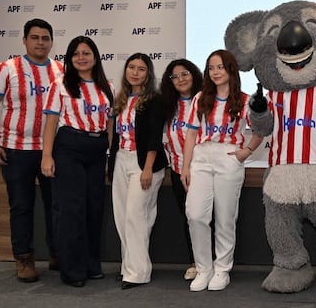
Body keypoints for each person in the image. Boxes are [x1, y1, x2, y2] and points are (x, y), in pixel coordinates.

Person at [0, 18, 63, 282]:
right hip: (16, 150)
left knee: (56, 205)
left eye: (45, 38)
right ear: (25, 40)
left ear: (51, 41)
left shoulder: (61, 70)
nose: (40, 42)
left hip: (52, 150)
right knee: (21, 206)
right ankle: (24, 259)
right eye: (35, 37)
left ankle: (57, 254)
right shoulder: (7, 69)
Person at [181, 49, 263, 292]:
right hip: (201, 158)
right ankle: (204, 268)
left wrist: (245, 152)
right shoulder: (200, 98)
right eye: (211, 68)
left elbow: (261, 129)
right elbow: (191, 133)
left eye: (220, 67)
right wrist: (185, 166)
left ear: (231, 70)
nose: (215, 72)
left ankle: (222, 269)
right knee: (195, 214)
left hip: (229, 157)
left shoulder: (246, 100)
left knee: (225, 218)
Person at [41, 36, 114, 287]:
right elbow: (51, 122)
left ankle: (91, 265)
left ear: (95, 56)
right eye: (75, 54)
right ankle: (72, 270)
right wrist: (47, 155)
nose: (81, 58)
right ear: (69, 59)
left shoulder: (108, 87)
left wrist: (109, 157)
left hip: (97, 150)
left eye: (86, 53)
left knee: (94, 209)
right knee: (71, 210)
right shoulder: (60, 84)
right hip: (69, 148)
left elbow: (110, 126)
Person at [108, 53, 168, 289]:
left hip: (144, 163)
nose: (135, 72)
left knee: (136, 216)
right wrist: (111, 164)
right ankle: (128, 267)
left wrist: (148, 169)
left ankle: (138, 273)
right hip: (121, 160)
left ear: (148, 74)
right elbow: (115, 136)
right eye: (131, 67)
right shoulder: (121, 99)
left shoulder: (154, 100)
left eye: (141, 69)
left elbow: (154, 137)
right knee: (122, 218)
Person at [160, 59, 204, 281]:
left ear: (194, 74)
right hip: (178, 171)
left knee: (206, 218)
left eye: (184, 73)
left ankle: (214, 263)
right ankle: (195, 262)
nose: (180, 79)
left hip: (204, 171)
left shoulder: (206, 101)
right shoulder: (168, 106)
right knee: (188, 217)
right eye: (175, 76)